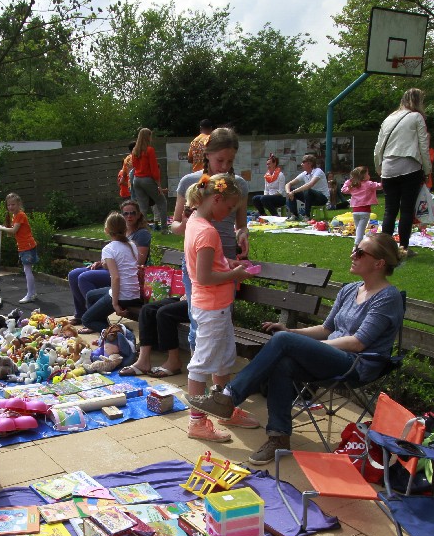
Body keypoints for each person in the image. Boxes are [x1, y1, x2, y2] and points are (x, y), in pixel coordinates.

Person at [189, 233, 404, 465]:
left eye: (360, 253)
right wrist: (292, 332)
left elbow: (358, 343)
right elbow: (326, 328)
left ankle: (228, 398)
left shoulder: (387, 298)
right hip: (332, 358)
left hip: (357, 364)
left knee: (284, 342)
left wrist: (306, 346)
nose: (353, 255)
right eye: (354, 249)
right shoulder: (350, 289)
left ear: (379, 263)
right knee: (283, 363)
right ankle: (278, 437)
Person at [181, 172, 257, 443]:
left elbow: (209, 264)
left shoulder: (195, 222)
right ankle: (197, 422)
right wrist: (234, 274)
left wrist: (228, 264)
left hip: (216, 306)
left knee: (224, 359)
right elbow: (203, 277)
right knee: (201, 364)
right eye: (229, 207)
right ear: (216, 199)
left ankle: (224, 409)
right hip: (211, 307)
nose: (230, 214)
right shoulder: (207, 231)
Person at [172, 127, 250, 352]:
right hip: (198, 264)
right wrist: (186, 223)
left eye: (230, 161)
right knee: (198, 323)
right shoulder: (191, 182)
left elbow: (241, 224)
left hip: (226, 262)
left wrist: (242, 235)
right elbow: (175, 226)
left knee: (222, 323)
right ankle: (198, 369)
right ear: (207, 154)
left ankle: (216, 370)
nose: (224, 166)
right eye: (220, 160)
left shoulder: (238, 186)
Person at [67, 199, 150, 321]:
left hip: (124, 273)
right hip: (113, 268)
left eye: (132, 213)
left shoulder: (141, 234)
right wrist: (101, 263)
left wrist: (108, 264)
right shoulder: (121, 232)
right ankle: (81, 313)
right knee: (73, 274)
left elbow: (138, 262)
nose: (129, 216)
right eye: (126, 213)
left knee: (84, 278)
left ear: (138, 215)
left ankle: (97, 315)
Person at [375, 88, 431, 251]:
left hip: (388, 168)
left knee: (390, 210)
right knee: (406, 210)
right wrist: (427, 169)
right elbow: (423, 146)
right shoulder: (416, 117)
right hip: (409, 167)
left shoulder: (389, 118)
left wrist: (379, 166)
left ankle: (385, 248)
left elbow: (378, 146)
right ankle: (403, 247)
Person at [80, 211, 143, 333]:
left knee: (86, 319)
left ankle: (120, 332)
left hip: (122, 296)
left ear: (106, 230)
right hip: (134, 293)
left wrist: (115, 304)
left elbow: (116, 278)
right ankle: (106, 329)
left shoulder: (109, 249)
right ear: (125, 228)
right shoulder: (131, 245)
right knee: (90, 295)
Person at [119, 297, 189, 378]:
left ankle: (174, 362)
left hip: (200, 301)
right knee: (147, 310)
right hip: (191, 295)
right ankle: (143, 361)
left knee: (164, 313)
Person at [0, 193, 38, 303]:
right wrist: (4, 228)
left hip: (27, 246)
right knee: (27, 269)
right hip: (23, 246)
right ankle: (32, 293)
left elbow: (14, 230)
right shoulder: (15, 216)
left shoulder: (20, 215)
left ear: (19, 204)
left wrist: (2, 228)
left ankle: (30, 294)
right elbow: (13, 233)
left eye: (13, 204)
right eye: (8, 205)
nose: (10, 207)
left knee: (27, 270)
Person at [131, 127, 167, 228]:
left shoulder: (134, 151)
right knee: (162, 202)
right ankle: (164, 228)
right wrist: (159, 185)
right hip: (147, 179)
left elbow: (134, 166)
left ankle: (142, 229)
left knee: (142, 206)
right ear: (148, 137)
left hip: (136, 180)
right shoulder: (149, 150)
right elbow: (154, 169)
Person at [341, 166, 383, 247]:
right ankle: (356, 246)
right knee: (360, 231)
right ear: (363, 176)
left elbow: (343, 190)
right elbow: (380, 186)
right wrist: (382, 176)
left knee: (359, 229)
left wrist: (350, 181)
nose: (369, 175)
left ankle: (361, 244)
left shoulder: (353, 185)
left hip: (355, 211)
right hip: (365, 211)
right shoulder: (369, 184)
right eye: (367, 173)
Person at [284, 153, 331, 221]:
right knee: (291, 189)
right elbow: (288, 184)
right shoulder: (304, 174)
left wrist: (293, 192)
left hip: (322, 198)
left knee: (308, 190)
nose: (301, 164)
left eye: (303, 162)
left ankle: (307, 216)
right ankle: (295, 215)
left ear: (310, 163)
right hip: (309, 198)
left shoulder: (318, 171)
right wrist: (289, 192)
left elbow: (309, 185)